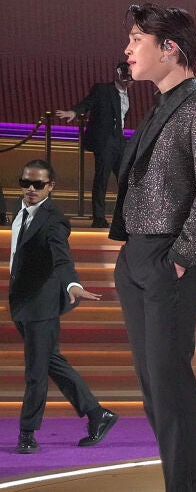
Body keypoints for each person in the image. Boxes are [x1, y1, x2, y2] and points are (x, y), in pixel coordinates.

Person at [110, 3, 196, 491]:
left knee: (170, 389)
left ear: (169, 48)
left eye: (136, 39)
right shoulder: (164, 104)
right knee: (155, 390)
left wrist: (182, 257)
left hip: (169, 256)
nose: (127, 49)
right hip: (137, 257)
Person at [8, 159, 116, 455]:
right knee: (49, 361)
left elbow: (61, 256)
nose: (30, 189)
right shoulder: (19, 208)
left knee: (36, 371)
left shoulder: (54, 219)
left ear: (51, 186)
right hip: (22, 301)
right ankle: (97, 414)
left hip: (41, 304)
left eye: (38, 184)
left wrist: (72, 284)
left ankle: (27, 433)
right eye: (25, 183)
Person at [55, 61, 133, 228]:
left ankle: (126, 218)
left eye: (132, 77)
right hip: (105, 141)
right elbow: (87, 103)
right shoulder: (103, 89)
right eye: (127, 75)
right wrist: (74, 112)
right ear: (119, 73)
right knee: (102, 179)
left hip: (120, 140)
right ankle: (98, 218)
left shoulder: (127, 95)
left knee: (126, 179)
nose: (129, 80)